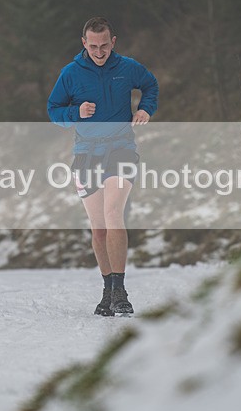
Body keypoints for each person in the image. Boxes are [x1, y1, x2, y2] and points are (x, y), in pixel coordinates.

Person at [47, 17, 159, 316]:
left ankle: (120, 290)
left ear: (114, 42)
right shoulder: (70, 74)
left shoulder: (127, 67)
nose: (99, 52)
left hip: (121, 149)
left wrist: (146, 108)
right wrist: (76, 112)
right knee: (98, 230)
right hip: (85, 154)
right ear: (84, 43)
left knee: (113, 214)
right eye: (93, 46)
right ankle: (108, 290)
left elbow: (150, 85)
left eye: (104, 45)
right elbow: (53, 111)